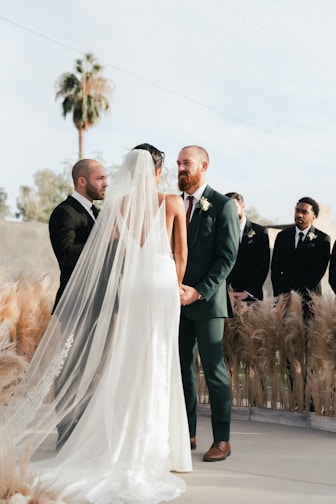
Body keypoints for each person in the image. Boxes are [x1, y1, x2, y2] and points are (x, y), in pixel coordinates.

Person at [1, 144, 192, 503]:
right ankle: (154, 443)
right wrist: (176, 285)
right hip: (159, 285)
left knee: (128, 361)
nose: (106, 182)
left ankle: (121, 439)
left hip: (131, 289)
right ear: (157, 170)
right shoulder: (170, 202)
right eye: (100, 177)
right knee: (157, 359)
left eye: (110, 176)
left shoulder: (116, 209)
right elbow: (180, 254)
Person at [177, 145, 239, 462]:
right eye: (178, 163)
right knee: (183, 370)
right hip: (176, 302)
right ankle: (186, 434)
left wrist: (198, 291)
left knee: (214, 372)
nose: (180, 168)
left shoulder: (222, 205)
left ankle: (222, 440)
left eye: (186, 162)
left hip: (207, 303)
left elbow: (227, 258)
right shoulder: (175, 204)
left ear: (203, 166)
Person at [271, 196, 330, 410]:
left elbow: (316, 273)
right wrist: (282, 295)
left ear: (313, 215)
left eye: (304, 212)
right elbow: (275, 268)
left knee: (310, 351)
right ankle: (296, 397)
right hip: (286, 304)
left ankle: (311, 399)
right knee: (290, 352)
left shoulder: (323, 240)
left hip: (309, 305)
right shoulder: (283, 237)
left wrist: (296, 295)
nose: (299, 215)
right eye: (297, 210)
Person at [49, 158, 108, 310]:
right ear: (82, 181)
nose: (105, 184)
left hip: (99, 303)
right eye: (100, 178)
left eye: (105, 178)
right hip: (75, 305)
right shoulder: (64, 212)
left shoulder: (96, 213)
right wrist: (104, 237)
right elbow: (66, 256)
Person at [225, 192, 270, 303]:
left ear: (243, 206)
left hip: (251, 297)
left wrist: (247, 292)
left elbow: (262, 266)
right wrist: (225, 292)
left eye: (233, 207)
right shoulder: (220, 233)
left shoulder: (260, 232)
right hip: (226, 297)